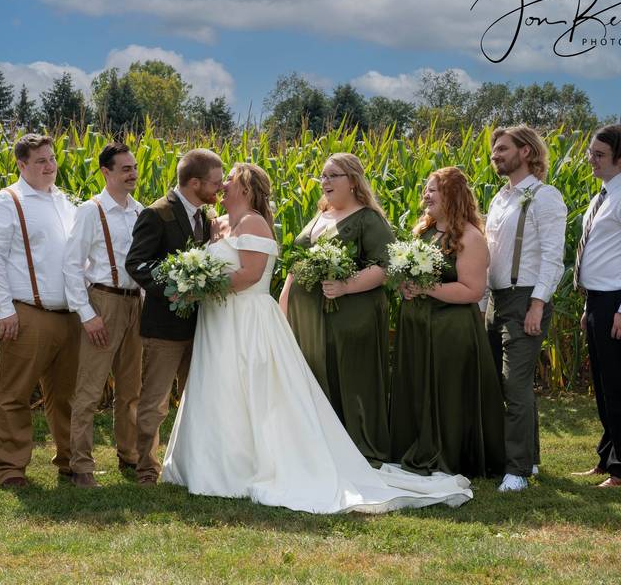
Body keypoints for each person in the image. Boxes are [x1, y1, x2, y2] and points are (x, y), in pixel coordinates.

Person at [162, 163, 472, 513]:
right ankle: (209, 461)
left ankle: (246, 465)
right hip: (221, 321)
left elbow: (250, 274)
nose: (222, 185)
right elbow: (295, 265)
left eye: (229, 180)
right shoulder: (217, 223)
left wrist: (201, 286)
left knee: (253, 387)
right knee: (219, 387)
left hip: (251, 318)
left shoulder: (259, 223)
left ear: (247, 188)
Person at [0, 133, 79, 488]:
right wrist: (3, 308)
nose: (49, 166)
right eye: (40, 161)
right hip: (28, 313)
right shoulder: (7, 202)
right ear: (21, 165)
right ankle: (10, 468)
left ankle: (71, 460)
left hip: (69, 315)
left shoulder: (64, 202)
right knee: (15, 393)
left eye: (51, 159)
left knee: (68, 395)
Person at [278, 153, 394, 465]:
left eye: (333, 176)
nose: (325, 182)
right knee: (315, 376)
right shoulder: (319, 216)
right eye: (324, 176)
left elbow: (385, 267)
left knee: (350, 380)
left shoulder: (368, 220)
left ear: (353, 181)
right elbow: (294, 265)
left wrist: (346, 286)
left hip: (350, 317)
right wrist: (284, 306)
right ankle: (320, 444)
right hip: (309, 319)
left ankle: (357, 446)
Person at [389, 167, 506, 477]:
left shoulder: (469, 237)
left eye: (433, 190)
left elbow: (472, 290)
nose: (425, 195)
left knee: (447, 392)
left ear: (452, 196)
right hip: (418, 325)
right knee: (418, 386)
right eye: (426, 190)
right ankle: (414, 443)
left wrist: (426, 288)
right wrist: (405, 285)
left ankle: (450, 452)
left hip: (449, 329)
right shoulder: (423, 232)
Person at [125, 148, 224, 485]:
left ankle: (193, 464)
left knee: (199, 397)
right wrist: (173, 285)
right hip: (164, 327)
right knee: (154, 402)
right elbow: (136, 263)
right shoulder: (157, 214)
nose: (220, 188)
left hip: (201, 326)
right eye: (215, 182)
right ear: (194, 182)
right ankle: (147, 468)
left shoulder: (208, 218)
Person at [483, 125, 567, 492]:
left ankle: (515, 471)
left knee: (514, 383)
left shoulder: (545, 197)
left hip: (526, 297)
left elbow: (553, 257)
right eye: (494, 150)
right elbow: (490, 258)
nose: (495, 155)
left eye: (503, 148)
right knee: (508, 386)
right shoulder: (499, 199)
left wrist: (537, 304)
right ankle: (530, 460)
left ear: (526, 152)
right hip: (496, 299)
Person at [63, 142, 144, 488]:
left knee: (131, 387)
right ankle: (80, 465)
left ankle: (130, 455)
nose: (133, 174)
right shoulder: (90, 211)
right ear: (106, 173)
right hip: (103, 302)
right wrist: (86, 313)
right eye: (125, 169)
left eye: (134, 167)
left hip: (135, 303)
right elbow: (71, 264)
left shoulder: (139, 211)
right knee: (89, 389)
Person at [571, 124, 621, 488]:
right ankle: (607, 457)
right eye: (591, 152)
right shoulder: (602, 196)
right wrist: (590, 304)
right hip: (598, 299)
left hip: (617, 301)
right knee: (603, 385)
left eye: (600, 154)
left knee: (618, 385)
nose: (591, 159)